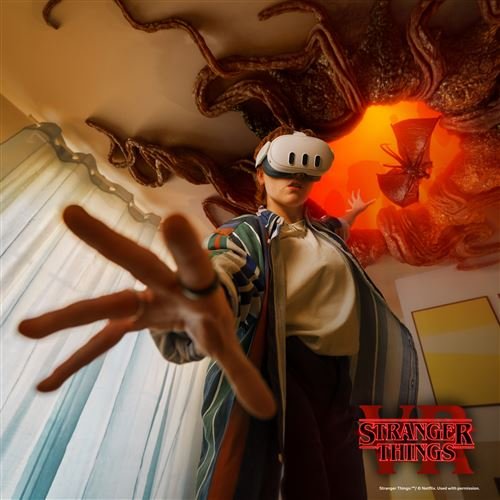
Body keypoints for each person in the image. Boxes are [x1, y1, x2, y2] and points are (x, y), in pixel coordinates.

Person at [19, 126, 418, 500]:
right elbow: (228, 266)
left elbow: (336, 227)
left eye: (304, 165)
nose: (294, 174)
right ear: (261, 174)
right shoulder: (249, 233)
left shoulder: (327, 239)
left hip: (339, 381)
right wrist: (206, 298)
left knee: (345, 487)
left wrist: (352, 214)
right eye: (282, 162)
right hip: (281, 369)